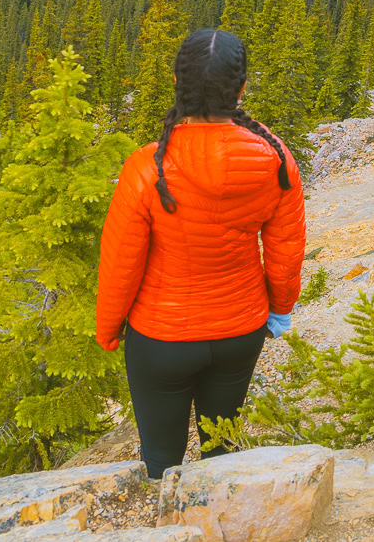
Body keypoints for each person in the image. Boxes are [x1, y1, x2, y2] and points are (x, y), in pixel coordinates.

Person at [95, 27, 306, 480]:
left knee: (161, 459)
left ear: (179, 85)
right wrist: (281, 310)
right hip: (240, 330)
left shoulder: (148, 167)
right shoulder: (274, 158)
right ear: (242, 89)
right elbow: (286, 251)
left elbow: (121, 263)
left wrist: (109, 328)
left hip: (162, 336)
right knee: (222, 449)